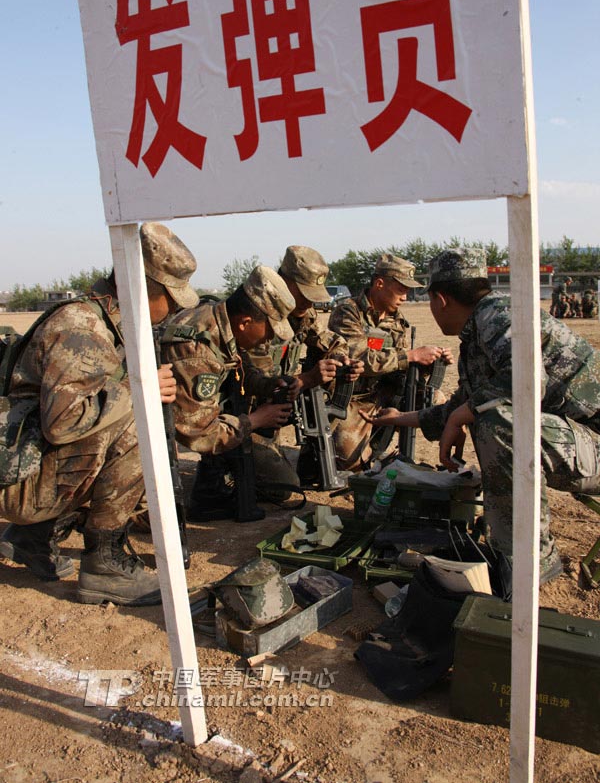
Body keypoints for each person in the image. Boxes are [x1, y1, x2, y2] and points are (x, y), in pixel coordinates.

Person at [360, 248, 600, 591]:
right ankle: (510, 554)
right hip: (580, 444)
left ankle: (527, 564)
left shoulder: (499, 315)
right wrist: (399, 418)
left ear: (440, 299)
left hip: (593, 445)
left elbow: (526, 380)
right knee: (488, 414)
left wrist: (463, 414)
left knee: (499, 422)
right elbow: (459, 406)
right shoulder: (479, 331)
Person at [0, 223, 199, 606]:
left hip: (25, 468)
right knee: (144, 426)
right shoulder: (84, 327)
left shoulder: (109, 323)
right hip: (18, 482)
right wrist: (141, 391)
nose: (173, 310)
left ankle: (33, 536)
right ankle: (104, 563)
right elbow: (62, 424)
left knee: (129, 418)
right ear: (144, 288)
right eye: (171, 299)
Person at [161, 266, 297, 518]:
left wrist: (268, 384)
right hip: (151, 432)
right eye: (269, 331)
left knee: (280, 486)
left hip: (204, 417)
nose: (268, 341)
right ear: (246, 322)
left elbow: (239, 367)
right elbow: (199, 434)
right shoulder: (198, 349)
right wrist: (256, 420)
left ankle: (212, 480)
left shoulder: (222, 321)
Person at [246, 245, 362, 491]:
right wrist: (307, 379)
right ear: (284, 282)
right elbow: (261, 384)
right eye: (303, 293)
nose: (309, 301)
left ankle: (312, 454)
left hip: (277, 412)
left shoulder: (302, 313)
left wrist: (342, 361)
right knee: (282, 489)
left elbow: (334, 341)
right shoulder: (256, 316)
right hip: (248, 417)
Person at [328, 253, 452, 471]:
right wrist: (411, 356)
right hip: (354, 399)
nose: (405, 296)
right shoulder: (348, 312)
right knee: (348, 460)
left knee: (436, 398)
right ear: (379, 283)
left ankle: (442, 461)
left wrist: (427, 364)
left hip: (386, 393)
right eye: (401, 289)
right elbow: (358, 358)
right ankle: (374, 454)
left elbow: (399, 368)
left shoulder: (398, 322)